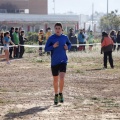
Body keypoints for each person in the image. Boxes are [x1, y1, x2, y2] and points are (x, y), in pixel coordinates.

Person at [45, 22, 71, 105]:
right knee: (56, 79)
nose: (57, 30)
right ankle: (56, 94)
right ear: (54, 29)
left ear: (61, 29)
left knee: (62, 77)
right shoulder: (51, 38)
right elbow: (46, 49)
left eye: (59, 28)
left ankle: (61, 93)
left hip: (63, 60)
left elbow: (69, 44)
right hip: (54, 62)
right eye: (56, 28)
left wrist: (68, 47)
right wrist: (53, 46)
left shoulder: (65, 37)